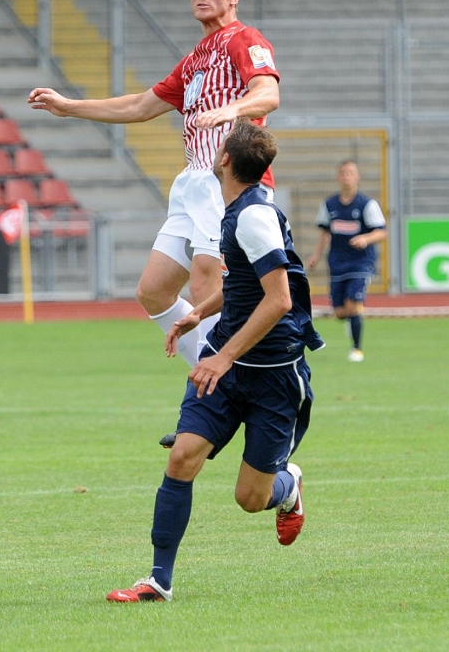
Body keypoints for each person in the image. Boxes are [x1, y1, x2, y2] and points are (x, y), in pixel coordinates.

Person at [28, 0, 280, 381]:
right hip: (194, 181)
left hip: (231, 184)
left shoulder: (244, 38)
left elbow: (268, 92)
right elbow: (140, 105)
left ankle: (227, 389)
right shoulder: (196, 59)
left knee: (206, 286)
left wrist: (229, 110)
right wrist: (70, 107)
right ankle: (219, 378)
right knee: (153, 290)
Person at [106, 119, 324, 603]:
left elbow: (279, 300)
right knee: (182, 456)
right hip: (225, 365)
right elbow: (244, 287)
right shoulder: (232, 211)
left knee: (250, 499)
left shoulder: (253, 217)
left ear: (224, 160)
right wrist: (197, 314)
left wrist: (222, 357)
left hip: (273, 377)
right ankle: (159, 580)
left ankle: (289, 486)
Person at [307, 160, 387, 362]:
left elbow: (381, 232)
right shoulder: (330, 205)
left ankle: (357, 349)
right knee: (341, 312)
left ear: (357, 177)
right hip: (337, 261)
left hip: (361, 262)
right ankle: (351, 322)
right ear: (338, 177)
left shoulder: (367, 204)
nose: (346, 177)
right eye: (343, 173)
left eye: (350, 173)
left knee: (353, 305)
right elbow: (325, 232)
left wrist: (365, 238)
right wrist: (316, 255)